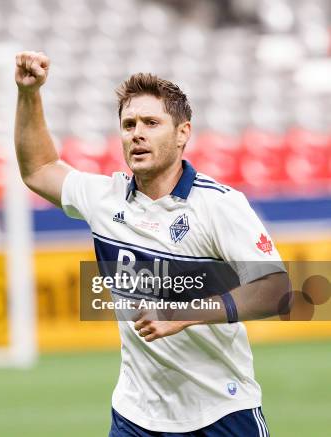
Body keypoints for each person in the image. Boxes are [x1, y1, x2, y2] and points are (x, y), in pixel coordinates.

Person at [14, 50, 290, 436]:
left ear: (182, 133)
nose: (137, 133)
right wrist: (29, 93)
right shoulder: (104, 198)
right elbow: (39, 168)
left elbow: (277, 290)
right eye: (128, 125)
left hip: (221, 411)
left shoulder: (218, 205)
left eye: (151, 122)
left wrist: (182, 313)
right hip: (136, 414)